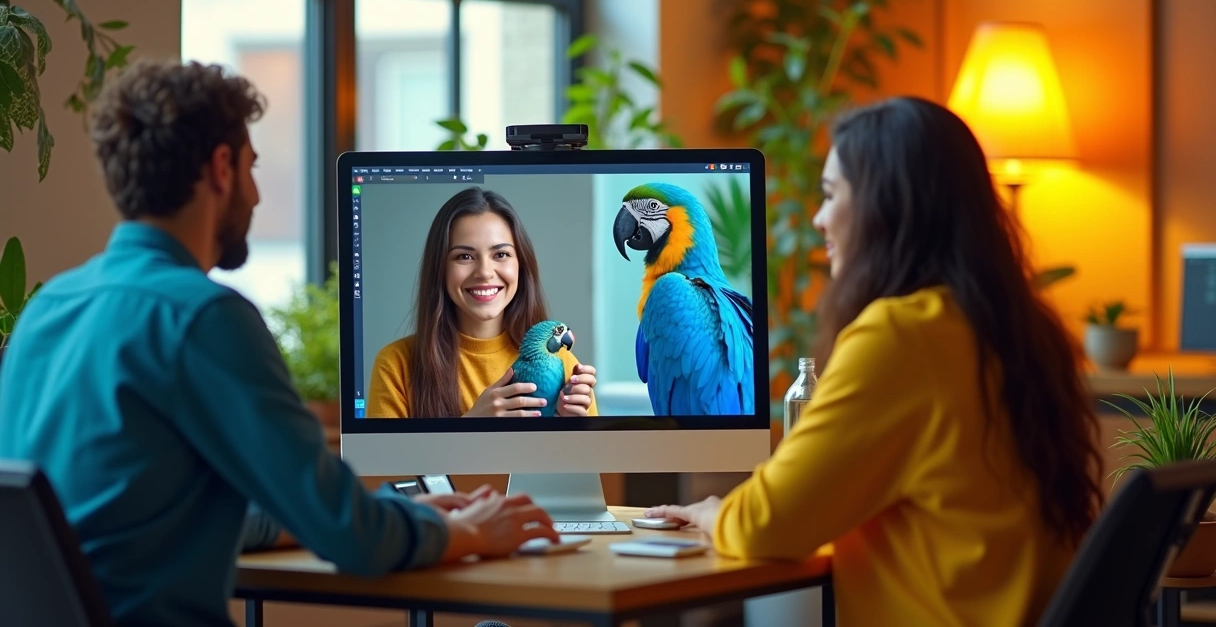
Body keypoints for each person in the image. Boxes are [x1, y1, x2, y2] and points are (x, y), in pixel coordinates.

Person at [0, 59, 558, 627]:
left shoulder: (47, 311)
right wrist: (466, 531)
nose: (257, 194)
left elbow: (161, 513)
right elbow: (352, 538)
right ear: (222, 168)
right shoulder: (203, 319)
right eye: (253, 167)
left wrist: (396, 510)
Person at [644, 97, 1104, 626]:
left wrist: (712, 513)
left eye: (830, 195)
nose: (817, 219)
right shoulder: (1013, 328)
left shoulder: (901, 338)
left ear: (884, 207)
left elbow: (766, 523)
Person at [367, 187, 599, 418]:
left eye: (501, 254)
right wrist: (472, 425)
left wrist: (568, 427)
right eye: (464, 256)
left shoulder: (565, 365)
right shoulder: (396, 365)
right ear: (440, 269)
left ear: (521, 265)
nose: (485, 272)